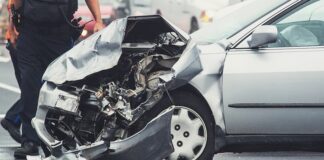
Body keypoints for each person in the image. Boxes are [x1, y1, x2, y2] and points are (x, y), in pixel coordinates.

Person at [10, 0, 104, 158]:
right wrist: (15, 22)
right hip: (31, 32)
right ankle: (30, 141)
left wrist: (99, 20)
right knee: (30, 86)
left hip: (60, 33)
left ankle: (59, 137)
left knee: (63, 87)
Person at [0, 0, 22, 144]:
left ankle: (30, 137)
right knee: (36, 89)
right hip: (20, 42)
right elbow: (13, 7)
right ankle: (12, 118)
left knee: (33, 89)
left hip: (22, 41)